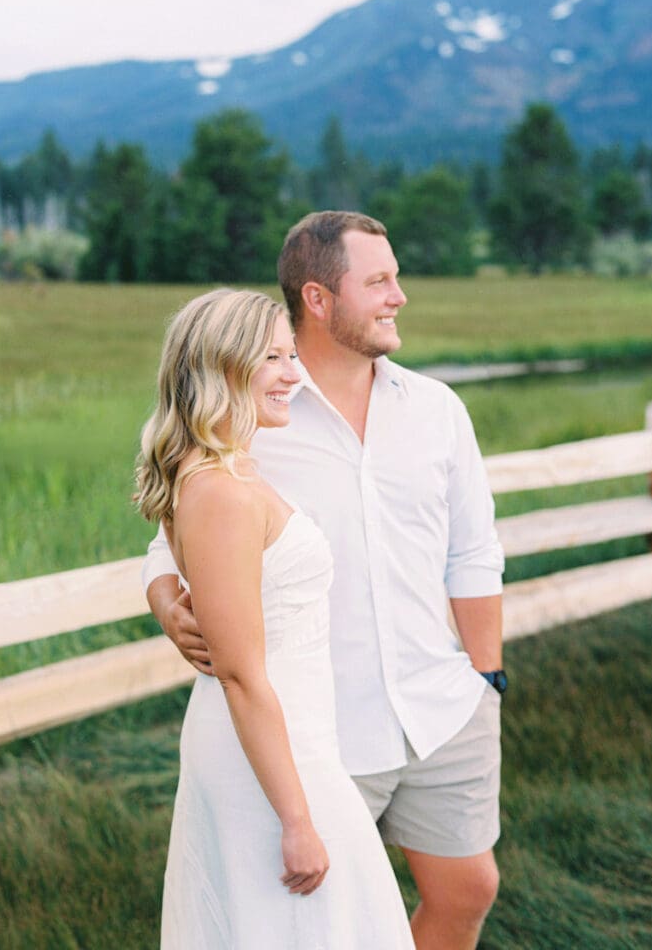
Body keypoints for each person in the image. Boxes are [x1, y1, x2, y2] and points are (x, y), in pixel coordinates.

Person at [144, 212, 506, 950]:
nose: (399, 296)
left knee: (468, 889)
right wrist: (162, 597)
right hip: (320, 722)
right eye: (378, 281)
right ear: (317, 298)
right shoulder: (256, 416)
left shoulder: (436, 409)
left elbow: (472, 552)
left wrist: (486, 677)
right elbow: (178, 530)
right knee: (326, 920)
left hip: (440, 703)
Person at [136, 288, 415, 948]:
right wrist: (294, 818)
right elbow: (239, 676)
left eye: (293, 354)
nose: (295, 373)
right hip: (261, 752)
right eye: (273, 358)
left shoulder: (233, 468)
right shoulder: (220, 491)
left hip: (293, 736)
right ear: (220, 366)